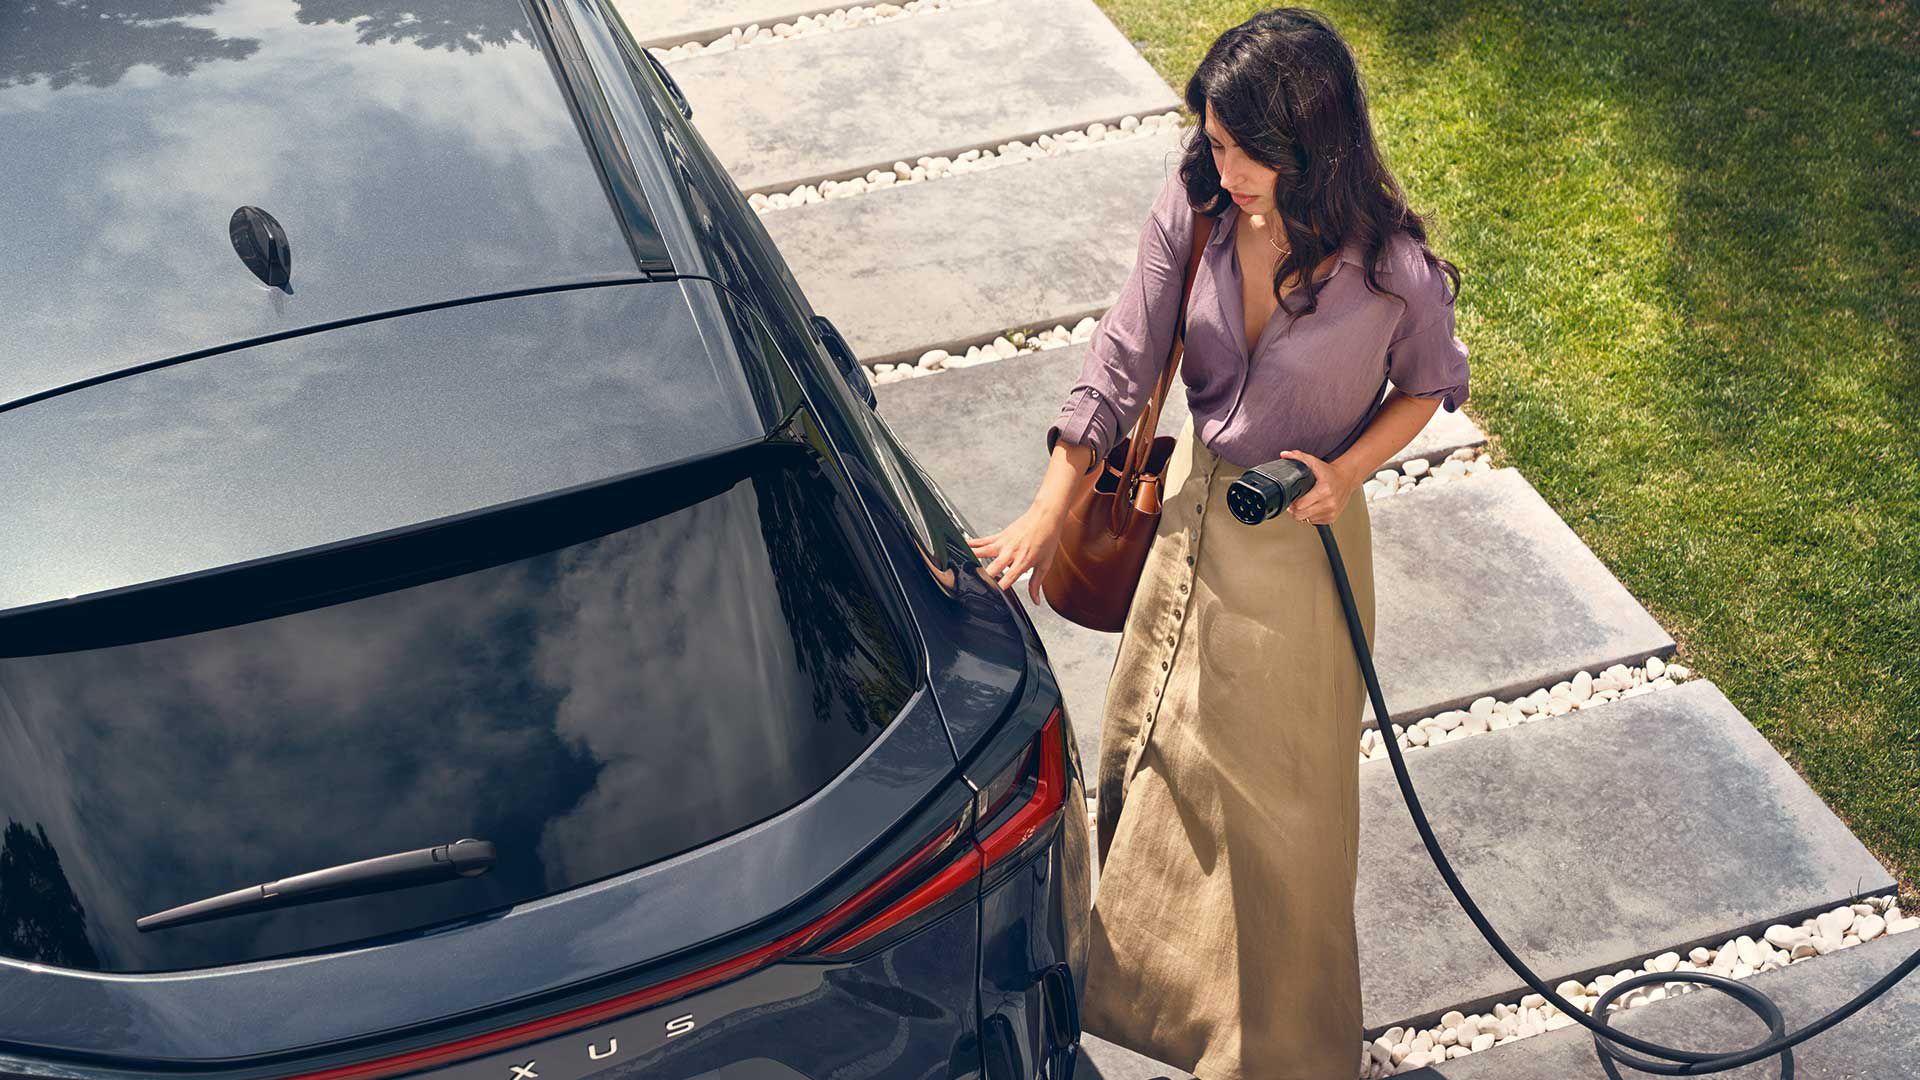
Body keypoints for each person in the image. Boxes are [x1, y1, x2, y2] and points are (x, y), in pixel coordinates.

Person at [964, 8, 1471, 1079]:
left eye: (1244, 149)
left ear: (1311, 148)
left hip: (1300, 553)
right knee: (1165, 778)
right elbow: (1119, 359)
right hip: (1192, 528)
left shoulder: (1395, 275)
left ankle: (1282, 1055)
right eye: (1214, 140)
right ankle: (1181, 1022)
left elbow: (1430, 385)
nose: (1221, 163)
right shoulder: (1193, 208)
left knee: (1277, 817)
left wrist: (1345, 470)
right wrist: (1048, 511)